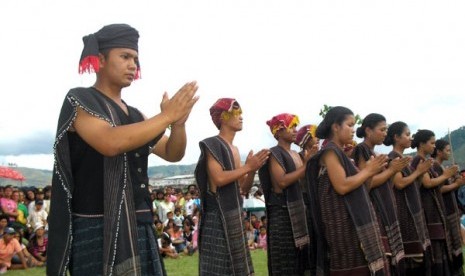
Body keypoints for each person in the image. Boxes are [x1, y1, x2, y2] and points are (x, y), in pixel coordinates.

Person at [47, 23, 199, 276]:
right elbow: (110, 142)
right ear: (101, 60)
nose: (133, 65)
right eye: (125, 56)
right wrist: (166, 116)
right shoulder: (79, 99)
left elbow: (173, 153)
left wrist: (178, 124)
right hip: (97, 225)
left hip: (139, 222)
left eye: (136, 59)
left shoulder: (137, 115)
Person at [306, 106, 389, 275]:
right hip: (342, 223)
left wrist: (370, 172)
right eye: (349, 125)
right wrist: (368, 171)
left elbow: (361, 188)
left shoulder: (343, 154)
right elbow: (342, 186)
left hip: (353, 222)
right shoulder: (330, 152)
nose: (353, 130)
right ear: (336, 127)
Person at [195, 98, 269, 275]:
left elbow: (242, 188)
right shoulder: (212, 144)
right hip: (217, 214)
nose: (241, 117)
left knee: (237, 268)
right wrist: (248, 167)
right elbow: (219, 178)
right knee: (218, 269)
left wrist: (251, 171)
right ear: (223, 117)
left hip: (234, 213)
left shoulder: (234, 149)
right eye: (236, 113)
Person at [353, 113, 407, 273]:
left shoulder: (376, 154)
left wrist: (393, 170)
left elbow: (386, 184)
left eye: (386, 130)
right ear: (368, 131)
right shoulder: (361, 149)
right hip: (375, 211)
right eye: (382, 129)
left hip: (385, 209)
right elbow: (365, 184)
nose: (385, 133)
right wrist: (391, 170)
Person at [258, 113, 310, 276]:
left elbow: (302, 182)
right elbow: (281, 182)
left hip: (299, 210)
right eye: (291, 126)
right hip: (282, 212)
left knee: (300, 263)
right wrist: (306, 167)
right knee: (284, 262)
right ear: (278, 132)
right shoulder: (274, 153)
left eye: (296, 126)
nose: (295, 130)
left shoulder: (296, 155)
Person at [384, 121, 432, 274]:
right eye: (407, 134)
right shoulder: (394, 157)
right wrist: (418, 172)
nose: (410, 138)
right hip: (404, 212)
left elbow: (413, 186)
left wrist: (418, 173)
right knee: (412, 262)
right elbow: (399, 184)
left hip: (411, 210)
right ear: (397, 137)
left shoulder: (404, 159)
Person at [411, 129, 457, 275]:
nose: (433, 146)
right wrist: (447, 176)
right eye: (431, 143)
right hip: (429, 212)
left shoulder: (425, 161)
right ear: (422, 144)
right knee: (435, 253)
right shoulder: (418, 160)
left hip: (435, 211)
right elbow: (428, 183)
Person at [431, 139, 465, 275]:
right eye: (447, 150)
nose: (449, 153)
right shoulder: (434, 167)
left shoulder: (442, 167)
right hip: (444, 211)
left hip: (451, 210)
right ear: (438, 151)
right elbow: (437, 189)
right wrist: (456, 185)